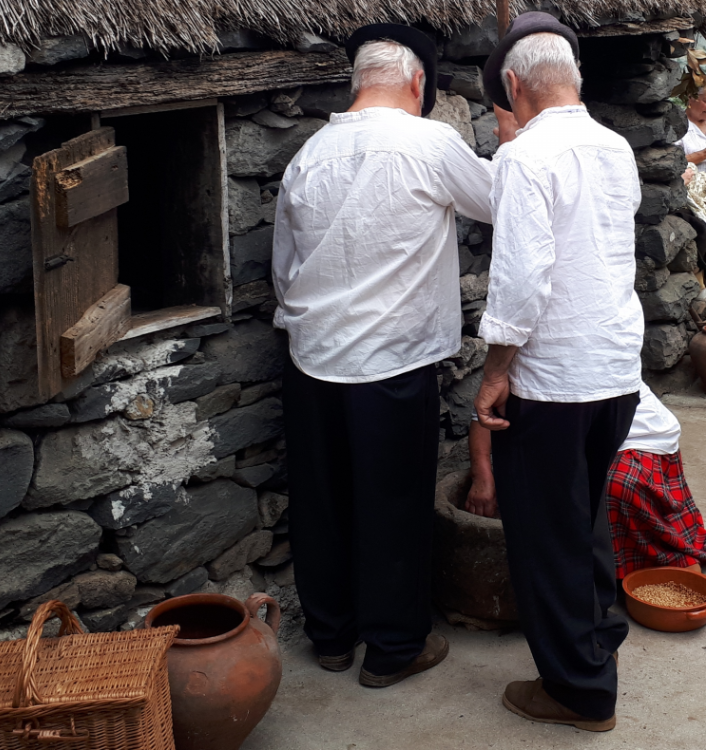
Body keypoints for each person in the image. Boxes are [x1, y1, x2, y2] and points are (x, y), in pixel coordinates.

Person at [270, 24, 493, 688]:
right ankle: (394, 647)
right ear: (418, 84)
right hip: (392, 361)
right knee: (392, 504)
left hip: (311, 356)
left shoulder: (308, 154)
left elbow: (284, 267)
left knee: (321, 500)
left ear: (355, 82)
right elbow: (500, 201)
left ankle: (332, 638)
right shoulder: (430, 142)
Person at [474, 11, 643, 732]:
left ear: (513, 85)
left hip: (553, 380)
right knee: (582, 519)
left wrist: (493, 371)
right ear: (573, 79)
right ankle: (597, 641)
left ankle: (579, 690)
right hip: (613, 370)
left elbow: (520, 279)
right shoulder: (615, 145)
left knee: (545, 535)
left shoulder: (524, 157)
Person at [466, 382, 706, 579]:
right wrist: (483, 476)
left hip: (637, 437)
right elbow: (484, 417)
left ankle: (648, 563)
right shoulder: (518, 361)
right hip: (580, 438)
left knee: (615, 487)